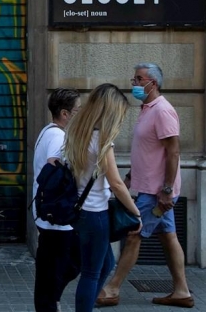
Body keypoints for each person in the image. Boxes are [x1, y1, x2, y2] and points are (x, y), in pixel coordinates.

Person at [96, 63, 194, 308]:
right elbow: (148, 152)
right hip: (150, 187)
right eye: (134, 78)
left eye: (140, 79)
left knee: (134, 235)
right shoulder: (147, 109)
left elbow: (173, 152)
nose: (135, 84)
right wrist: (130, 177)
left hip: (155, 192)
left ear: (154, 83)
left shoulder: (163, 110)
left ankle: (112, 288)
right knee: (168, 236)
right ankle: (181, 291)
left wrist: (167, 190)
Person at [63, 83, 142, 312]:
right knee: (90, 272)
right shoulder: (101, 140)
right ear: (110, 112)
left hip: (80, 212)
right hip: (95, 213)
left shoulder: (77, 133)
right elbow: (116, 183)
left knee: (106, 263)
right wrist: (136, 212)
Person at [32, 88, 82, 312]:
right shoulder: (57, 136)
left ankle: (50, 300)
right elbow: (54, 165)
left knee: (59, 267)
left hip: (49, 215)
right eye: (76, 110)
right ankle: (50, 302)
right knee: (64, 266)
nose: (78, 114)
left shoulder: (47, 131)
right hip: (55, 217)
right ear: (64, 113)